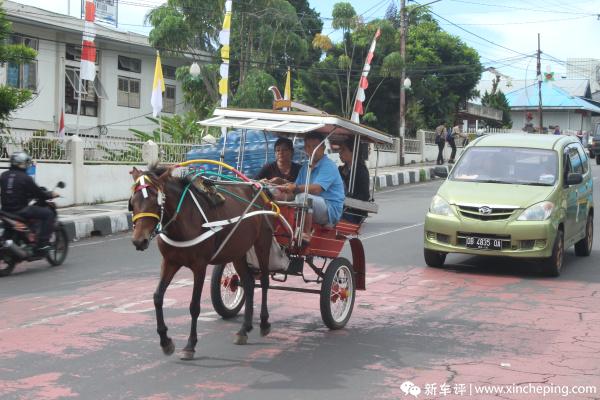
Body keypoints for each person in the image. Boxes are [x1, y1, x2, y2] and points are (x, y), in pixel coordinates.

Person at [278, 132, 345, 244]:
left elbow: (317, 189)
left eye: (315, 146)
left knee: (303, 198)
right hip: (313, 205)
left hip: (329, 209)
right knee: (280, 198)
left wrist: (294, 188)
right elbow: (295, 189)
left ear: (322, 148)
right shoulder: (305, 167)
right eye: (308, 146)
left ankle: (305, 234)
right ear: (305, 148)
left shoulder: (328, 165)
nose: (311, 150)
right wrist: (280, 191)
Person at [0, 151, 58, 253]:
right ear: (21, 163)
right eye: (26, 163)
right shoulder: (25, 178)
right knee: (48, 213)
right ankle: (43, 244)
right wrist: (50, 194)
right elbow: (39, 194)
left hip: (5, 211)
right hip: (21, 210)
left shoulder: (3, 175)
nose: (27, 165)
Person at [338, 138, 370, 223]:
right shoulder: (340, 170)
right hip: (339, 207)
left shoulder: (361, 171)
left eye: (343, 149)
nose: (340, 152)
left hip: (353, 213)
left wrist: (346, 200)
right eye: (340, 149)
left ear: (354, 152)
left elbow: (365, 196)